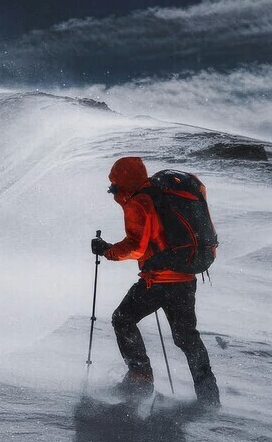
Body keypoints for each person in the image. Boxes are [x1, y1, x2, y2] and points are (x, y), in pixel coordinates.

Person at [91, 156, 221, 406]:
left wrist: (107, 251)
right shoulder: (162, 193)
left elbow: (136, 248)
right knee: (186, 337)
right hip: (185, 277)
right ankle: (208, 395)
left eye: (114, 184)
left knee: (123, 318)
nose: (113, 191)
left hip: (158, 280)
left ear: (122, 181)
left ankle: (140, 379)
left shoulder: (140, 201)